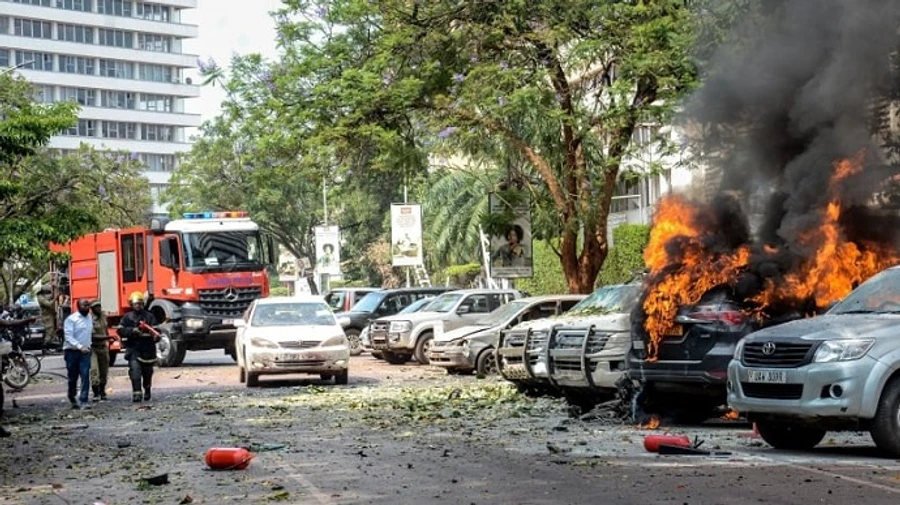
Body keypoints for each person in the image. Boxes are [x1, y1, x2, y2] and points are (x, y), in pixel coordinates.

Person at [117, 292, 158, 403]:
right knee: (135, 371)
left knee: (147, 373)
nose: (138, 306)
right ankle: (137, 393)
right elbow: (120, 330)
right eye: (136, 304)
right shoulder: (127, 317)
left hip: (148, 350)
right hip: (133, 349)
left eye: (140, 304)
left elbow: (157, 331)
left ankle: (147, 389)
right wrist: (131, 331)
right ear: (131, 304)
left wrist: (153, 334)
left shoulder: (149, 316)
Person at [63, 299, 93, 410]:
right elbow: (69, 337)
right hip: (72, 352)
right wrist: (80, 346)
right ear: (78, 306)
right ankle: (72, 396)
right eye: (84, 305)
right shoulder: (71, 319)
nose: (87, 307)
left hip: (85, 352)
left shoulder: (89, 318)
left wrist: (88, 346)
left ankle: (84, 400)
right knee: (72, 377)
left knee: (85, 375)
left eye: (88, 305)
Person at [89, 300, 110, 402]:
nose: (98, 309)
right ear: (92, 309)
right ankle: (96, 393)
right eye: (96, 307)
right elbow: (93, 336)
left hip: (103, 347)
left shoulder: (103, 316)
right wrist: (108, 337)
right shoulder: (90, 320)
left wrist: (107, 339)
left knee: (104, 370)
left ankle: (102, 391)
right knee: (94, 371)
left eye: (99, 306)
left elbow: (106, 329)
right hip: (93, 347)